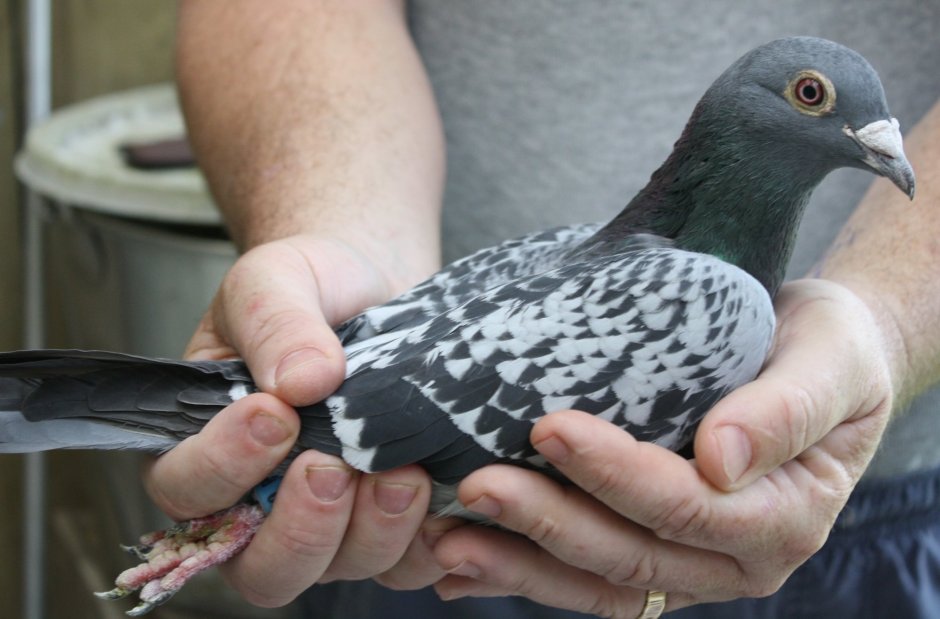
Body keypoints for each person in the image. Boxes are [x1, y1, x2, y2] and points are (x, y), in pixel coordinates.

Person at [145, 1, 940, 617]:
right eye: (812, 98)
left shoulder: (706, 298)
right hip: (419, 543)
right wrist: (336, 242)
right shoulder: (705, 301)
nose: (879, 145)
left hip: (864, 519)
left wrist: (887, 326)